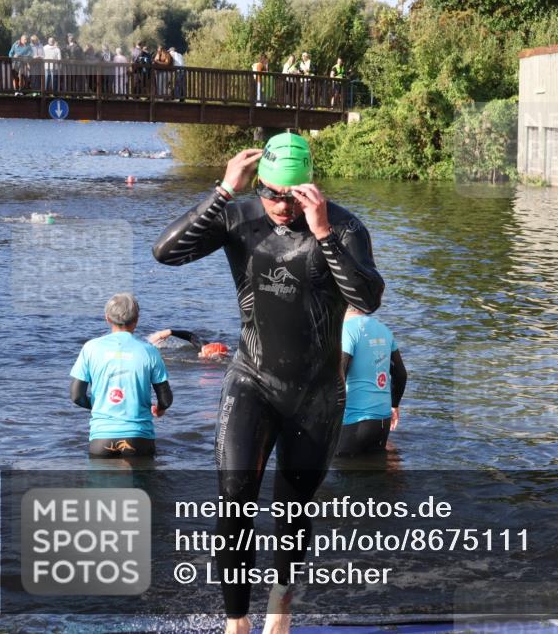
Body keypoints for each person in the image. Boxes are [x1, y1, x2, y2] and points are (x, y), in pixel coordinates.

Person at [152, 133, 383, 634]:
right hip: (252, 378)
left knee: (292, 507)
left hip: (316, 393)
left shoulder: (343, 226)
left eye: (293, 194)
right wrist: (222, 192)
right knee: (234, 498)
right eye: (272, 192)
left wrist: (321, 232)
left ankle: (281, 597)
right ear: (258, 184)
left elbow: (367, 299)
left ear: (310, 187)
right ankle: (236, 620)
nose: (280, 205)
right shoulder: (238, 216)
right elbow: (164, 253)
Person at [69, 293, 173, 458]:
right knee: (145, 483)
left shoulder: (90, 348)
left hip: (101, 439)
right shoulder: (149, 351)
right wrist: (160, 409)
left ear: (107, 318)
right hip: (139, 438)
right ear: (137, 319)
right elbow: (166, 400)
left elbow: (76, 396)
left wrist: (99, 405)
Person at [335, 305, 406, 457]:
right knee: (375, 475)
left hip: (354, 422)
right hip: (382, 422)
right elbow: (401, 374)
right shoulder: (384, 330)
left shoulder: (347, 330)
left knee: (343, 475)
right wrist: (394, 405)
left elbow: (339, 376)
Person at [147, 328, 230, 360]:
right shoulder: (203, 345)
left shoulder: (217, 358)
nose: (199, 353)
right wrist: (170, 332)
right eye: (202, 351)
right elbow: (191, 336)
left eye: (203, 352)